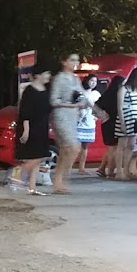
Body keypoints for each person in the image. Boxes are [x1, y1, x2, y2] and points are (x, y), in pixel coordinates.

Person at [49, 52, 88, 194]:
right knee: (73, 146)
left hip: (73, 116)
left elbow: (83, 96)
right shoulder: (59, 79)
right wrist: (70, 104)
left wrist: (82, 103)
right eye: (72, 60)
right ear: (64, 62)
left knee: (66, 150)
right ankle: (63, 177)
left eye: (77, 60)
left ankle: (59, 182)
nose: (75, 63)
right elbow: (53, 100)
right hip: (61, 115)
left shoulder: (75, 79)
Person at [15, 65, 54, 195]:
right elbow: (25, 112)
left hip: (42, 127)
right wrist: (26, 130)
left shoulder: (46, 90)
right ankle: (15, 176)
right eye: (46, 73)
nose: (48, 76)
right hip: (31, 127)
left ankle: (32, 188)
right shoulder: (29, 91)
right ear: (38, 75)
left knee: (39, 157)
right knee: (34, 158)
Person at [116, 67, 137, 181]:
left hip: (135, 119)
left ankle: (126, 170)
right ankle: (119, 172)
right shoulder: (123, 89)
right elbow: (119, 107)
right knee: (122, 145)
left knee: (131, 146)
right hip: (125, 118)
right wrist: (122, 123)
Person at [94, 75, 125, 178]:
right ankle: (110, 172)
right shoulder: (119, 94)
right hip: (114, 122)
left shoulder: (107, 94)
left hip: (106, 122)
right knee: (114, 148)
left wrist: (102, 115)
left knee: (110, 148)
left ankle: (102, 168)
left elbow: (95, 105)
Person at [75, 73, 100, 174]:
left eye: (95, 81)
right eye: (91, 81)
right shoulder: (80, 92)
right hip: (78, 121)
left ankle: (82, 168)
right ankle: (68, 166)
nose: (93, 83)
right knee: (75, 146)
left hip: (89, 122)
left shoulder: (96, 94)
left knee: (85, 146)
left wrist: (96, 117)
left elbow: (99, 108)